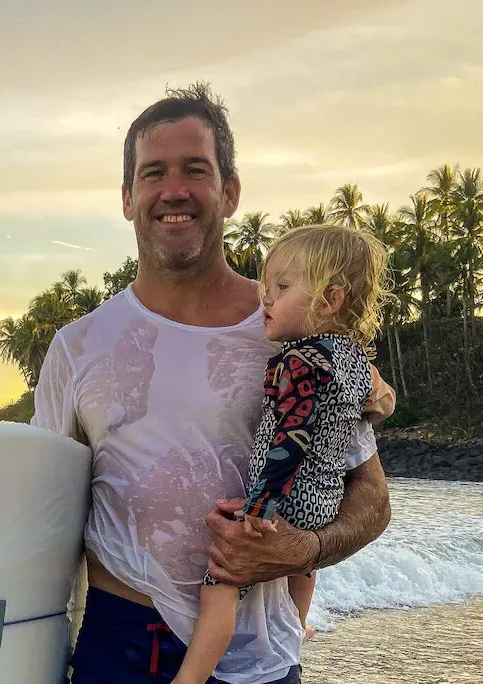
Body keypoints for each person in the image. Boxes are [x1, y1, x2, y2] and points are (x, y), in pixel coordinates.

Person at [30, 82, 395, 684]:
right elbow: (38, 518)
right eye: (153, 174)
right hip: (119, 644)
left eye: (195, 170)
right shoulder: (78, 347)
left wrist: (302, 550)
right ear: (127, 197)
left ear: (229, 192)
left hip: (257, 656)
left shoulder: (294, 335)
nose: (174, 190)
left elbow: (372, 502)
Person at [172, 224, 391, 684]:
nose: (265, 299)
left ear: (330, 299)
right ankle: (297, 623)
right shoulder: (352, 359)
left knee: (222, 586)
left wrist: (257, 509)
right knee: (301, 563)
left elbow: (288, 443)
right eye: (267, 287)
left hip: (287, 494)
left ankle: (187, 679)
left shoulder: (298, 362)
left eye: (283, 288)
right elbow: (374, 405)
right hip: (324, 500)